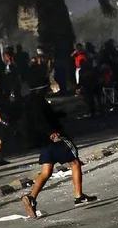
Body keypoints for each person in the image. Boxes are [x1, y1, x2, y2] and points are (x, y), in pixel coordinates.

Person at [21, 83, 97, 218]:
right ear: (41, 89)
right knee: (75, 163)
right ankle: (78, 196)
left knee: (46, 171)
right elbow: (40, 120)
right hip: (54, 137)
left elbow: (41, 119)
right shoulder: (38, 102)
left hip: (44, 141)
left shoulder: (30, 102)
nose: (48, 89)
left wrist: (58, 114)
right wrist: (51, 131)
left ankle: (31, 197)